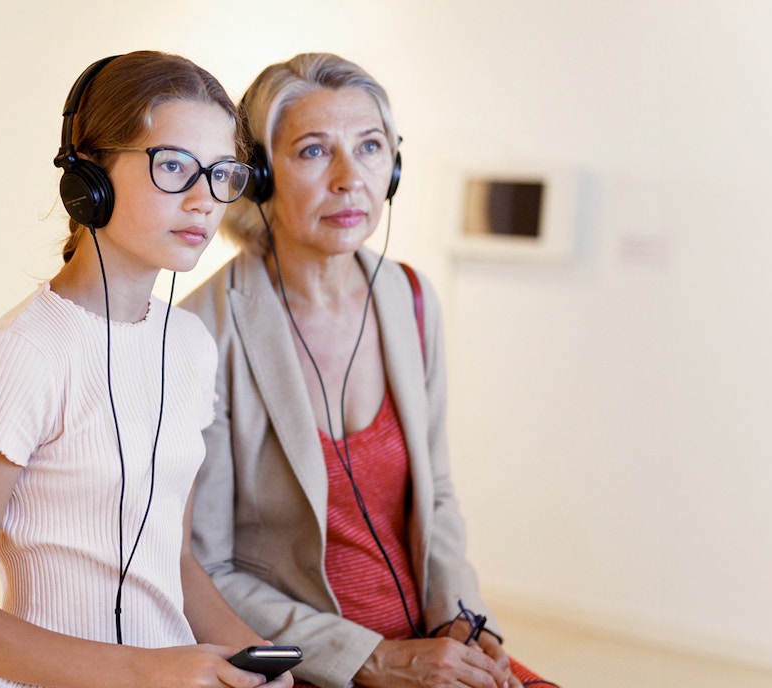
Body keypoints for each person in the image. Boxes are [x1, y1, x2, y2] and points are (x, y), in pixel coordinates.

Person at [0, 51, 294, 688]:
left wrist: (258, 657)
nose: (204, 201)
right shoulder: (23, 354)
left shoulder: (191, 344)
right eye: (173, 166)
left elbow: (172, 560)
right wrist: (144, 670)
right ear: (90, 178)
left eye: (223, 173)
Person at [182, 53, 553, 688]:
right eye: (314, 152)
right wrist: (369, 659)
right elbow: (206, 571)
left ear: (395, 167)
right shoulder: (200, 333)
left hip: (428, 645)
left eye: (371, 147)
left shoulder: (411, 298)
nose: (351, 179)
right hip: (314, 662)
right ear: (260, 177)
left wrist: (463, 620)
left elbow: (435, 495)